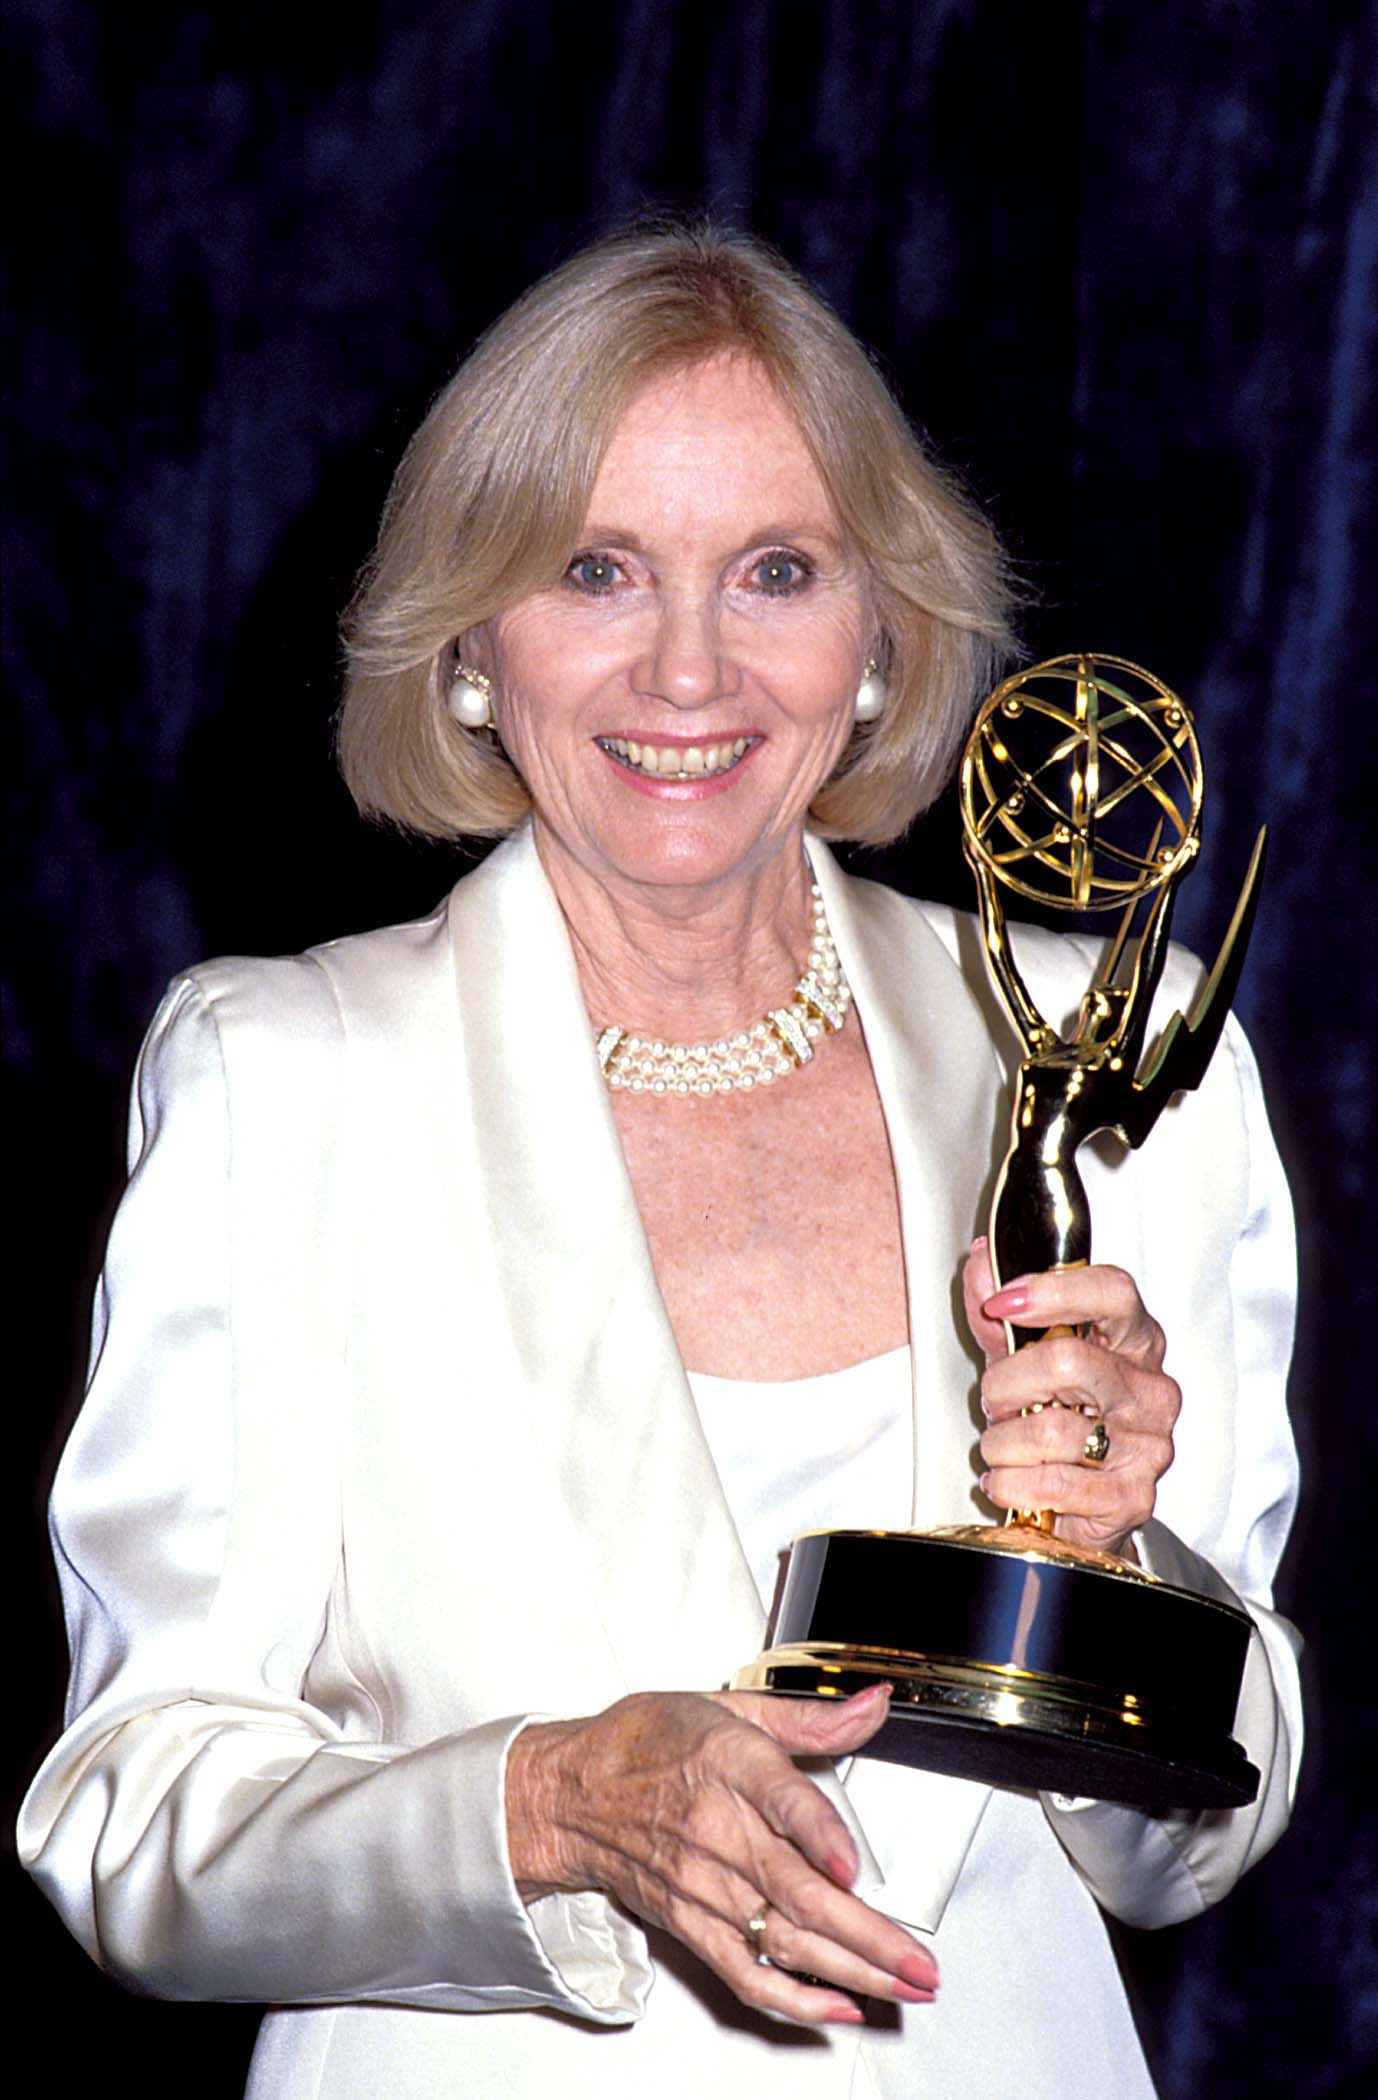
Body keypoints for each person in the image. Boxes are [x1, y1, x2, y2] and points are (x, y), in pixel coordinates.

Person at [19, 222, 1301, 2100]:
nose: (688, 669)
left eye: (774, 570)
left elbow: (1200, 1840)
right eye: (594, 570)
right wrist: (537, 1807)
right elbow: (129, 1823)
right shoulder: (285, 1077)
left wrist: (1119, 1573)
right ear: (471, 640)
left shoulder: (1121, 1048)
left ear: (880, 634)